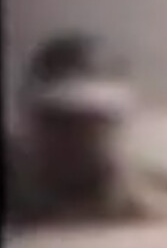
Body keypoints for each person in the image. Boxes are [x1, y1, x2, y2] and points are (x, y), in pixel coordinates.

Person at [5, 31, 142, 228]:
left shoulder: (147, 215)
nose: (76, 135)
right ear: (29, 119)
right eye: (59, 119)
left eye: (93, 119)